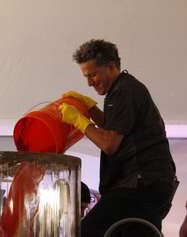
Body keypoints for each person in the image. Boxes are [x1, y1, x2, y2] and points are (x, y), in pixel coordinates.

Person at [59, 39, 178, 236]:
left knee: (88, 231)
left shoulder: (123, 91)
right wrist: (91, 109)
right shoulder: (127, 88)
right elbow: (117, 128)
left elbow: (109, 144)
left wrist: (79, 121)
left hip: (138, 186)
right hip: (153, 186)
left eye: (93, 75)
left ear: (111, 66)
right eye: (86, 77)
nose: (89, 83)